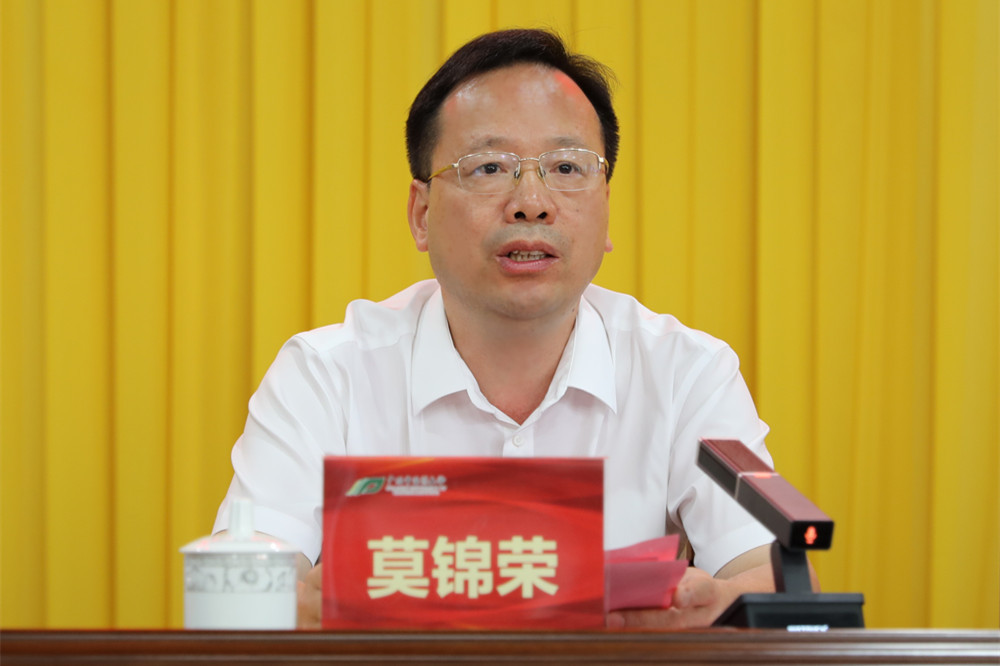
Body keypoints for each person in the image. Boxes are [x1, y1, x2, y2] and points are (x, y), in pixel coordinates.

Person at [214, 28, 800, 630]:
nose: (531, 202)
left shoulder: (689, 373)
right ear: (421, 214)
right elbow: (238, 583)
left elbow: (777, 577)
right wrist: (305, 606)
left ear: (605, 209)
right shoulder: (323, 373)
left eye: (566, 167)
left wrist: (710, 609)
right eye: (489, 167)